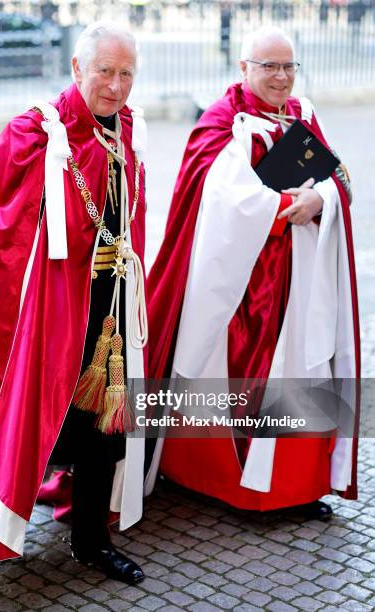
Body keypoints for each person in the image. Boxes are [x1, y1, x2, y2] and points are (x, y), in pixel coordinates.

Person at [0, 22, 149, 585]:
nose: (115, 86)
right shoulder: (35, 134)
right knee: (41, 414)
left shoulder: (124, 126)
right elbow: (5, 234)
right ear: (77, 70)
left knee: (104, 425)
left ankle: (91, 539)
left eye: (126, 73)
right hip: (54, 309)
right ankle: (5, 512)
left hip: (111, 303)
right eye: (105, 71)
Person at [147, 26, 359, 518]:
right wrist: (290, 202)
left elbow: (339, 175)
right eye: (269, 66)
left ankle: (297, 489)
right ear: (243, 68)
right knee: (242, 379)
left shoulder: (302, 113)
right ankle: (229, 486)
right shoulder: (222, 123)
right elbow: (220, 199)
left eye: (288, 66)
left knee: (302, 370)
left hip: (302, 279)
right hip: (243, 289)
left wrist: (320, 198)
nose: (281, 77)